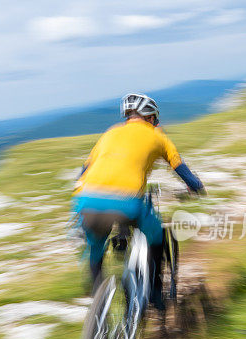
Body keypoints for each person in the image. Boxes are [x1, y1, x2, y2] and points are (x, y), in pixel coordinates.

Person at [72, 93, 204, 307]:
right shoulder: (158, 136)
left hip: (86, 200)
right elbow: (179, 166)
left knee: (95, 246)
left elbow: (85, 170)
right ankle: (155, 293)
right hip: (127, 202)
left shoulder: (110, 133)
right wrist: (196, 186)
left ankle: (97, 301)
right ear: (151, 118)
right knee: (157, 237)